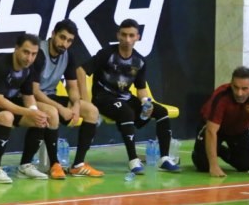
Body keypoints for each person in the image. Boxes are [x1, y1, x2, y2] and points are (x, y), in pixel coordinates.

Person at [77, 19, 181, 174]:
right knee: (127, 112)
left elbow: (141, 89)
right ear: (118, 35)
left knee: (161, 112)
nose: (127, 39)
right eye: (124, 35)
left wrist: (146, 102)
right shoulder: (107, 54)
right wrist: (86, 101)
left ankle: (164, 159)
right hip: (103, 98)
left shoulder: (140, 61)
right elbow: (80, 70)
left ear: (138, 37)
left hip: (125, 97)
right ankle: (133, 160)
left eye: (131, 35)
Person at [0, 34, 64, 183]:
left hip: (6, 100)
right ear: (16, 48)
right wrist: (28, 112)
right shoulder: (0, 63)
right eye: (26, 52)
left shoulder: (28, 67)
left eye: (33, 54)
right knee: (6, 117)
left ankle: (25, 166)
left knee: (41, 117)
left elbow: (28, 96)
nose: (29, 58)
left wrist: (34, 112)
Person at [31, 20, 104, 177]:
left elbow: (72, 87)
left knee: (91, 111)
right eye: (62, 38)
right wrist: (61, 108)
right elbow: (34, 91)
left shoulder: (68, 55)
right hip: (30, 98)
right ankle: (55, 164)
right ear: (53, 34)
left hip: (50, 96)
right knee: (53, 112)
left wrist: (75, 105)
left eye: (69, 40)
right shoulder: (39, 53)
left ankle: (78, 164)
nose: (64, 44)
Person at [191, 66, 249, 177]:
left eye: (244, 89)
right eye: (236, 87)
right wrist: (213, 165)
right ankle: (201, 152)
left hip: (239, 130)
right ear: (231, 84)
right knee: (203, 165)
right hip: (215, 129)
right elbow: (211, 131)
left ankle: (219, 150)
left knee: (244, 165)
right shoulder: (221, 96)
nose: (239, 93)